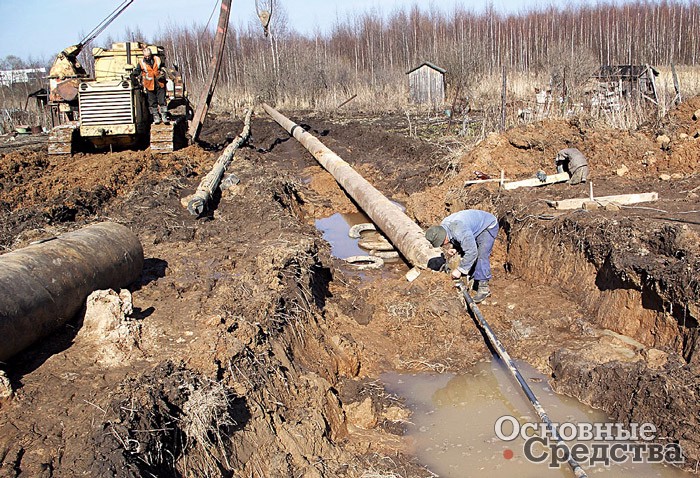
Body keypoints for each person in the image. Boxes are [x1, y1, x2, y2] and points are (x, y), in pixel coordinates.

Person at [425, 209, 499, 303]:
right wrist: (455, 248)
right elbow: (460, 239)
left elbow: (472, 252)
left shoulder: (458, 229)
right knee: (466, 251)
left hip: (487, 226)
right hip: (471, 228)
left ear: (444, 237)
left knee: (481, 255)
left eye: (441, 243)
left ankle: (483, 288)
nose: (442, 245)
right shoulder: (445, 227)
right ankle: (472, 275)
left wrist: (460, 270)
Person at [132, 47, 169, 125]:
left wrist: (162, 72)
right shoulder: (141, 62)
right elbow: (137, 71)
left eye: (149, 55)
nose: (148, 57)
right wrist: (133, 75)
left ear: (151, 54)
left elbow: (163, 67)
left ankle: (164, 116)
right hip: (149, 85)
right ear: (144, 56)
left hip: (160, 83)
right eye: (146, 56)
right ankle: (156, 117)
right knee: (152, 102)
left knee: (162, 101)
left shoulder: (157, 59)